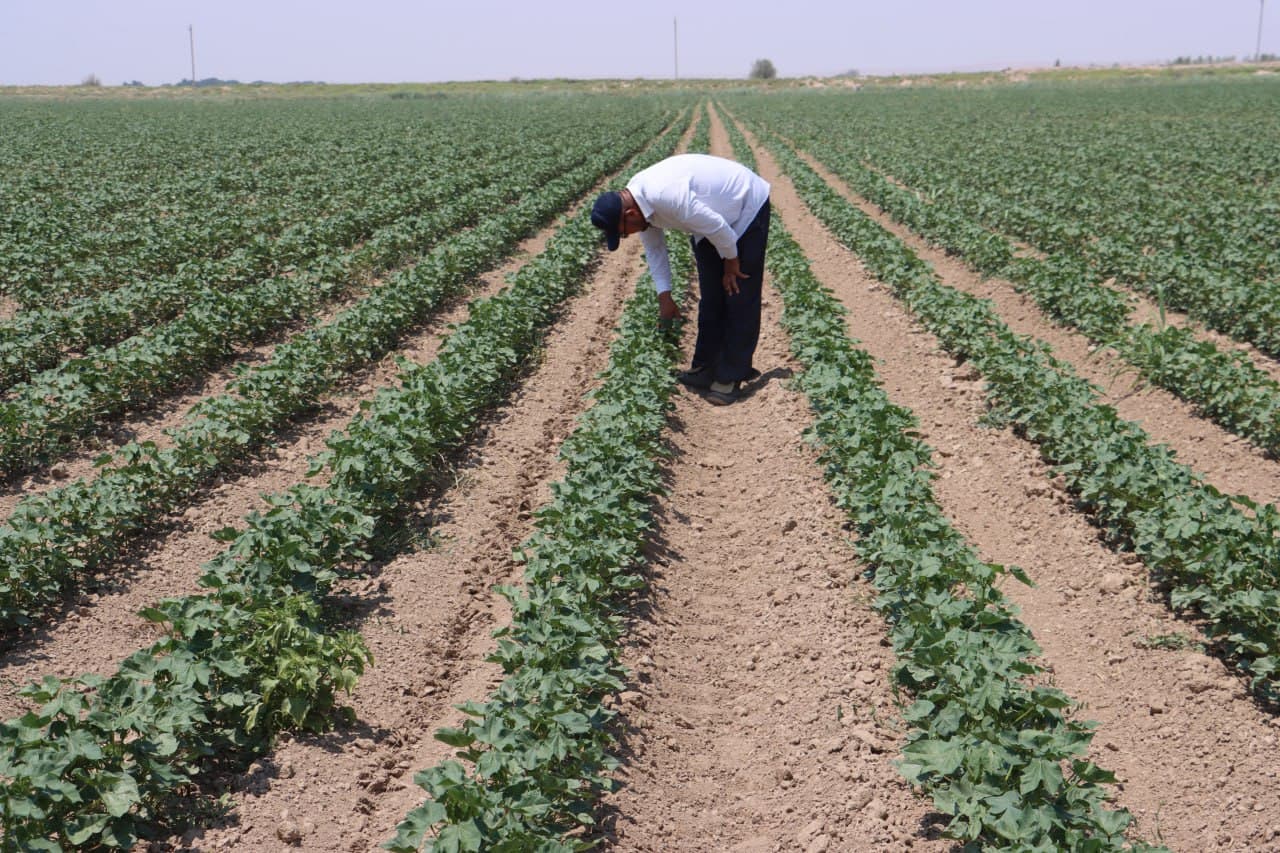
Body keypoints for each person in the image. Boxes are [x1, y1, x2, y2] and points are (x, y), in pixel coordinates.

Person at [591, 153, 771, 405]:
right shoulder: (641, 208)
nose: (627, 236)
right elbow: (655, 250)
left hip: (744, 206)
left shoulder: (666, 195)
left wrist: (732, 261)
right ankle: (705, 366)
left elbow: (718, 227)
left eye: (623, 233)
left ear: (629, 213)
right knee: (711, 295)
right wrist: (664, 296)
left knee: (738, 291)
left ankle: (731, 374)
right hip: (710, 220)